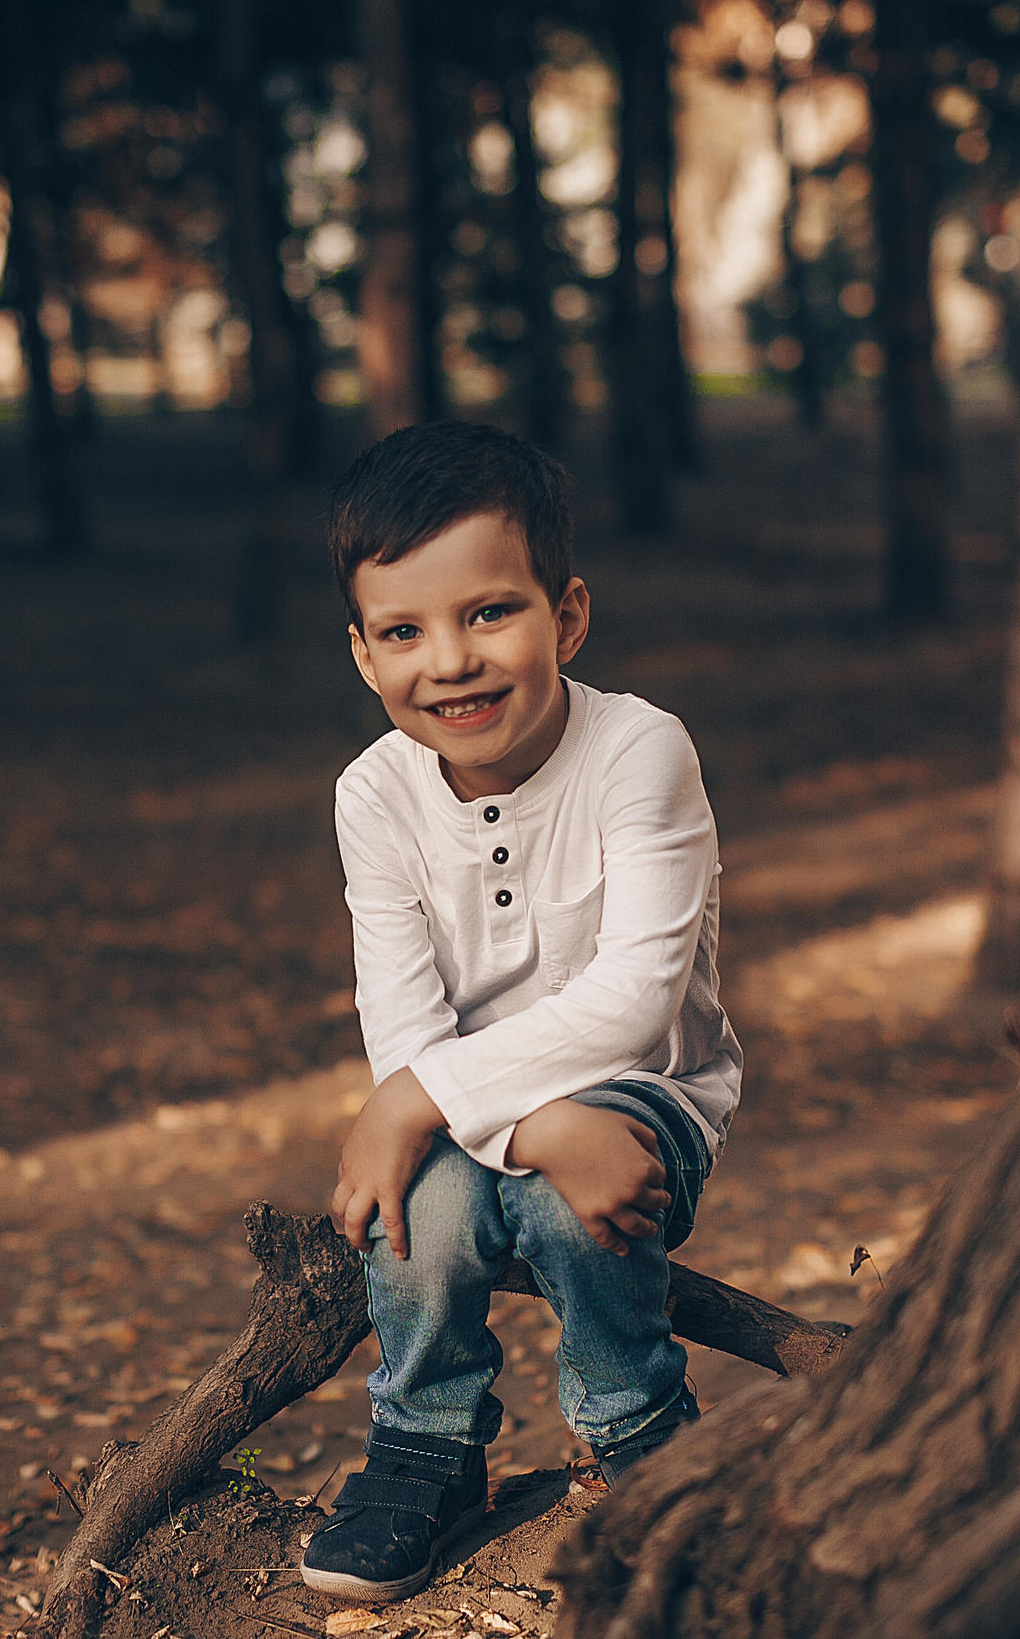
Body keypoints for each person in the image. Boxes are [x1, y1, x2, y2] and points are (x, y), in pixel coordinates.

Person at [300, 422, 742, 1602]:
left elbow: (635, 1000)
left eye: (490, 612)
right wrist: (496, 1117)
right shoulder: (374, 794)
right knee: (418, 1205)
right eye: (404, 632)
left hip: (643, 1086)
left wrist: (433, 1104)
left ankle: (638, 1433)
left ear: (568, 616)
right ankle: (425, 1449)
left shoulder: (638, 750)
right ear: (363, 655)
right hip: (455, 1098)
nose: (450, 661)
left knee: (559, 1201)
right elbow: (402, 1017)